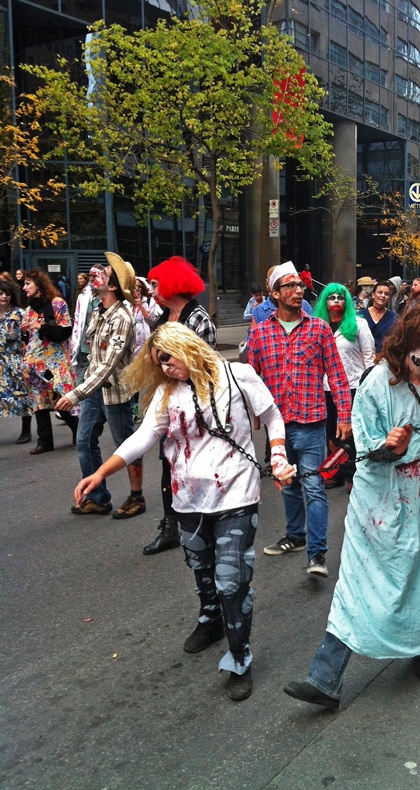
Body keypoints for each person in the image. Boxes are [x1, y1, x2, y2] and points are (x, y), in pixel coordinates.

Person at [73, 322, 295, 701]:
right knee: (201, 568)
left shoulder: (239, 375)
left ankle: (240, 657)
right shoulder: (166, 393)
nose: (165, 368)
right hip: (188, 500)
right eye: (158, 363)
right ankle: (210, 619)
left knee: (232, 579)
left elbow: (273, 417)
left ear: (186, 347)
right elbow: (142, 438)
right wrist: (100, 472)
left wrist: (277, 455)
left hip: (236, 495)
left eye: (167, 358)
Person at [283, 303, 420, 709]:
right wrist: (389, 448)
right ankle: (324, 680)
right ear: (407, 342)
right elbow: (364, 454)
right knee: (357, 587)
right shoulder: (375, 386)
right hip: (378, 510)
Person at [247, 261, 352, 578]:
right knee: (287, 485)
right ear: (275, 294)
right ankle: (295, 536)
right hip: (277, 428)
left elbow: (337, 375)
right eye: (289, 286)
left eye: (299, 286)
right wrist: (251, 414)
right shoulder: (261, 332)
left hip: (311, 425)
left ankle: (317, 554)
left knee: (315, 487)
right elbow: (250, 377)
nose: (297, 291)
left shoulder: (319, 329)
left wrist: (344, 415)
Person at [55, 253, 145, 518]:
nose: (96, 275)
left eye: (103, 273)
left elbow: (107, 366)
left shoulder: (122, 319)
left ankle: (136, 497)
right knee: (84, 441)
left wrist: (76, 394)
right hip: (94, 393)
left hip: (116, 394)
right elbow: (93, 357)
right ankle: (97, 497)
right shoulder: (98, 310)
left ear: (113, 286)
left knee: (127, 446)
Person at [142, 255, 216, 554]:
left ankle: (205, 518)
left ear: (173, 285)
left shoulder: (198, 319)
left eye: (157, 284)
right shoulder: (161, 318)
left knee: (198, 461)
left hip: (196, 403)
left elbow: (207, 368)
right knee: (167, 462)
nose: (153, 289)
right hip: (169, 401)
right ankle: (171, 524)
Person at [312, 283, 375, 490]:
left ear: (346, 301)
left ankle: (353, 475)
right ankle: (337, 472)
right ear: (325, 302)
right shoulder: (316, 325)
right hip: (326, 388)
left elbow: (369, 357)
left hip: (354, 386)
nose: (336, 301)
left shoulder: (358, 324)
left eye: (340, 298)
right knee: (331, 432)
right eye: (332, 298)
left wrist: (369, 387)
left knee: (351, 433)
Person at [21, 268, 79, 454]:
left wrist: (42, 326)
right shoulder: (30, 309)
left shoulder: (57, 304)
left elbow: (65, 331)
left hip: (52, 366)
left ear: (38, 285)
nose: (24, 287)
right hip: (34, 366)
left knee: (60, 397)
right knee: (40, 401)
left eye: (28, 283)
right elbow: (30, 340)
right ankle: (45, 441)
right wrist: (24, 331)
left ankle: (78, 431)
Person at [0, 279, 32, 443]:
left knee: (22, 395)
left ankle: (26, 431)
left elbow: (30, 336)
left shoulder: (19, 314)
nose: (4, 297)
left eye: (7, 294)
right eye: (1, 293)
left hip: (15, 360)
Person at [70, 266, 101, 383]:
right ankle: (78, 398)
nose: (92, 278)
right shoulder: (83, 296)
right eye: (90, 276)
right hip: (84, 340)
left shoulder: (107, 297)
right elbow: (78, 319)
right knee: (82, 370)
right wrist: (75, 339)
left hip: (99, 340)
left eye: (95, 276)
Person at [361, 281, 399, 353]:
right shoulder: (360, 316)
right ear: (373, 295)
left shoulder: (394, 318)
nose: (383, 296)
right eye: (380, 292)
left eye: (386, 294)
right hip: (362, 358)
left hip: (384, 359)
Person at [132, 277, 162, 355]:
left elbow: (155, 322)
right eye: (134, 286)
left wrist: (141, 306)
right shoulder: (126, 304)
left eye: (139, 287)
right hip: (131, 349)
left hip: (145, 348)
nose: (137, 289)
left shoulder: (150, 303)